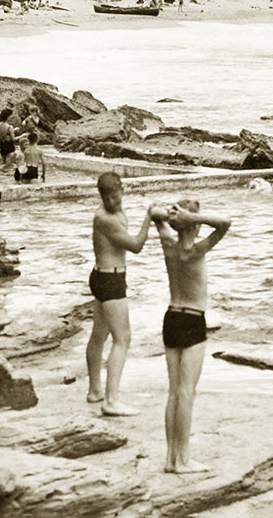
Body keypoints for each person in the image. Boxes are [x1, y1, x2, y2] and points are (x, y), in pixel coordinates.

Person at [151, 199, 231, 473]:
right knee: (187, 394)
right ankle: (183, 460)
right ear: (194, 226)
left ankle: (170, 458)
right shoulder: (198, 250)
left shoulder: (168, 246)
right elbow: (225, 223)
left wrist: (173, 215)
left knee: (174, 393)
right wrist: (191, 218)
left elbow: (153, 211)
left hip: (171, 317)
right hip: (192, 319)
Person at [87, 172, 157, 414]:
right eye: (108, 198)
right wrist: (149, 218)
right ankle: (111, 401)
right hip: (110, 279)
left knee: (99, 335)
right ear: (101, 196)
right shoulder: (104, 218)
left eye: (116, 197)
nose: (113, 202)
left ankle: (95, 390)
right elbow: (136, 246)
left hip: (104, 276)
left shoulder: (115, 210)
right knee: (123, 338)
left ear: (121, 192)